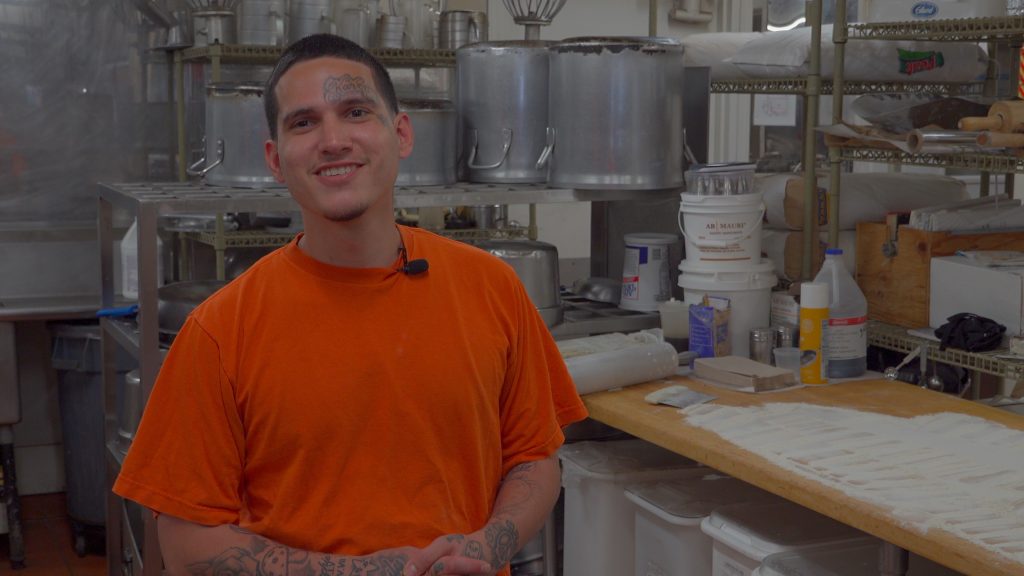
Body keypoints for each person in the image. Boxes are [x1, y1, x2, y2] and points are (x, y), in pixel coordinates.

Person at [114, 33, 587, 576]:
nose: (333, 140)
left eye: (356, 111)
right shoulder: (221, 331)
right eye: (303, 122)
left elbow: (535, 456)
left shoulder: (491, 288)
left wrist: (484, 548)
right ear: (274, 159)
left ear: (401, 132)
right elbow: (184, 544)